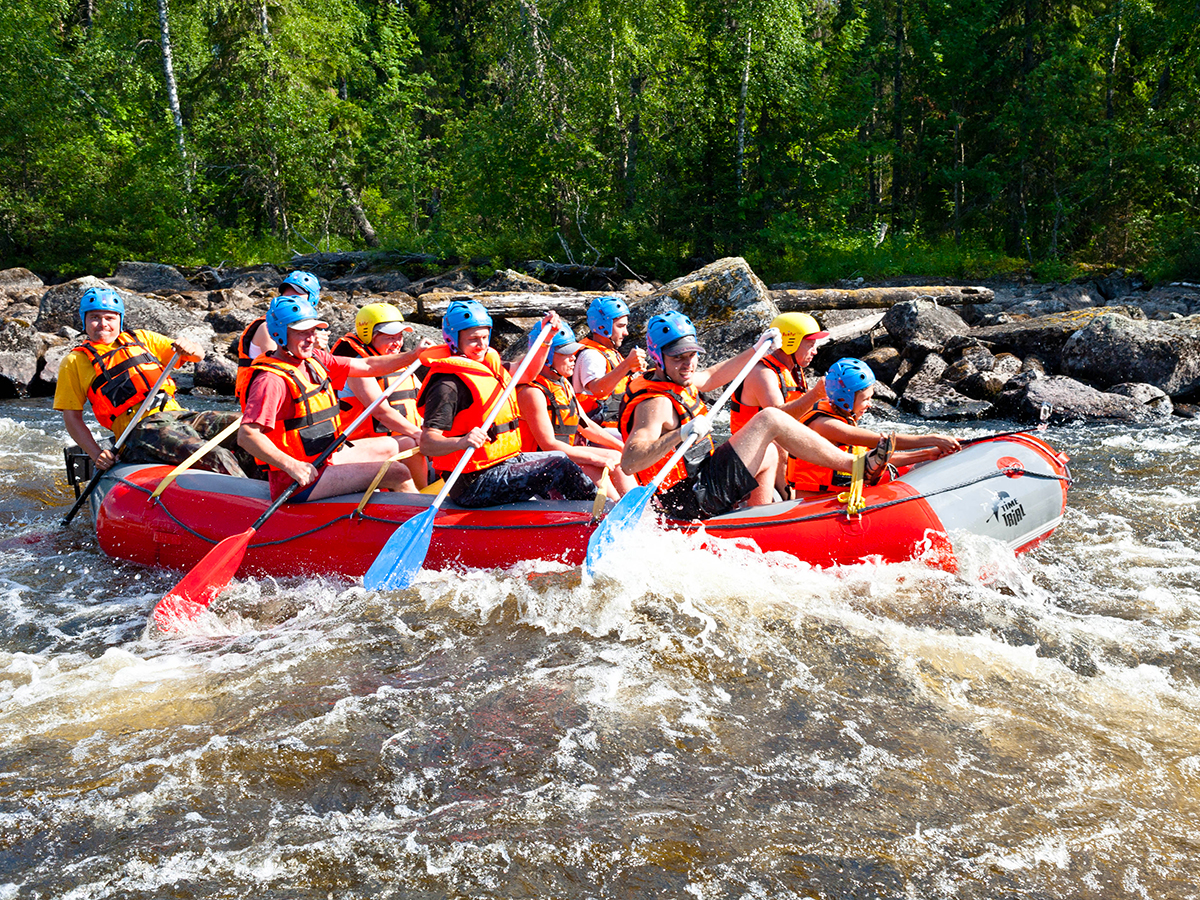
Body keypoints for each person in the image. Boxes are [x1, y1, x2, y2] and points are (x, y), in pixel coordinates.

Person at [618, 311, 894, 521]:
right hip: (683, 500)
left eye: (692, 355)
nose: (688, 363)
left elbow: (714, 375)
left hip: (700, 480)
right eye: (679, 357)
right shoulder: (655, 403)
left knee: (770, 452)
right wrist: (679, 433)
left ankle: (757, 520)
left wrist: (757, 348)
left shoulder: (679, 379)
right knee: (769, 419)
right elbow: (630, 463)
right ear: (658, 357)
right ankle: (856, 465)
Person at [416, 299, 597, 509]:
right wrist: (461, 442)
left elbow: (528, 372)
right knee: (558, 466)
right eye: (473, 339)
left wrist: (547, 338)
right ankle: (591, 516)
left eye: (485, 337)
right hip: (471, 484)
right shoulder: (447, 385)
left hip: (501, 463)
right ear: (454, 340)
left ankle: (579, 512)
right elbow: (427, 443)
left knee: (559, 457)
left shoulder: (489, 366)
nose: (482, 345)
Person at [238, 295, 419, 502]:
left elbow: (368, 366)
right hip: (298, 478)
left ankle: (420, 500)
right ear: (280, 335)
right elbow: (247, 436)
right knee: (396, 472)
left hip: (327, 457)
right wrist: (292, 465)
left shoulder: (315, 359)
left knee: (402, 444)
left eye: (312, 331)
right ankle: (424, 525)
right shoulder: (271, 381)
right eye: (301, 333)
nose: (311, 339)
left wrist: (414, 355)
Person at [55, 287, 250, 476]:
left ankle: (268, 487)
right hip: (139, 432)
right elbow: (72, 418)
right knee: (215, 455)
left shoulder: (142, 339)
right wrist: (97, 454)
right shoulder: (74, 362)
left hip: (178, 417)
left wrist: (190, 347)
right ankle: (250, 502)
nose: (103, 324)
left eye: (109, 318)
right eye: (94, 318)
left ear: (120, 320)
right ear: (85, 321)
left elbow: (198, 356)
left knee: (246, 428)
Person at [790, 358, 961, 493]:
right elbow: (881, 442)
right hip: (816, 502)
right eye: (865, 399)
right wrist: (932, 439)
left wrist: (928, 454)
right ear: (845, 399)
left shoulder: (841, 413)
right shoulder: (825, 424)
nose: (870, 404)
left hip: (837, 494)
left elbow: (876, 457)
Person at [517, 321, 637, 497]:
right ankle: (612, 508)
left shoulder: (563, 382)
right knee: (596, 466)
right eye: (566, 353)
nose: (574, 357)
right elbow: (548, 444)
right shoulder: (531, 392)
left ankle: (642, 511)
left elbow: (585, 425)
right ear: (547, 356)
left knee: (618, 458)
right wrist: (596, 459)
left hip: (564, 454)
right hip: (541, 462)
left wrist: (622, 447)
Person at [332, 303, 436, 489]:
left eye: (400, 336)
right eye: (390, 338)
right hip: (356, 443)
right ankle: (423, 497)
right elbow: (381, 412)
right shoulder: (356, 365)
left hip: (388, 437)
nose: (397, 343)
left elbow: (421, 399)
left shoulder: (397, 360)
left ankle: (430, 489)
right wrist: (420, 435)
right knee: (410, 441)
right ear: (368, 335)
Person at [728, 311, 830, 498]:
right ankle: (787, 497)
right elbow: (778, 419)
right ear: (791, 342)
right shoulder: (762, 373)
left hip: (781, 455)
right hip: (752, 456)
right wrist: (815, 394)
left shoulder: (794, 369)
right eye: (810, 345)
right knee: (777, 445)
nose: (814, 351)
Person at [234, 269, 324, 404]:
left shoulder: (308, 329)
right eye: (287, 295)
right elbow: (279, 368)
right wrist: (314, 348)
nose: (291, 299)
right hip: (263, 398)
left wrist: (317, 350)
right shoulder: (267, 328)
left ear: (312, 301)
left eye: (298, 295)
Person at [572, 295, 646, 430]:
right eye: (621, 326)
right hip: (599, 428)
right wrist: (627, 365)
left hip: (616, 424)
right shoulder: (591, 355)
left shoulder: (611, 352)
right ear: (602, 326)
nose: (626, 332)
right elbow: (598, 389)